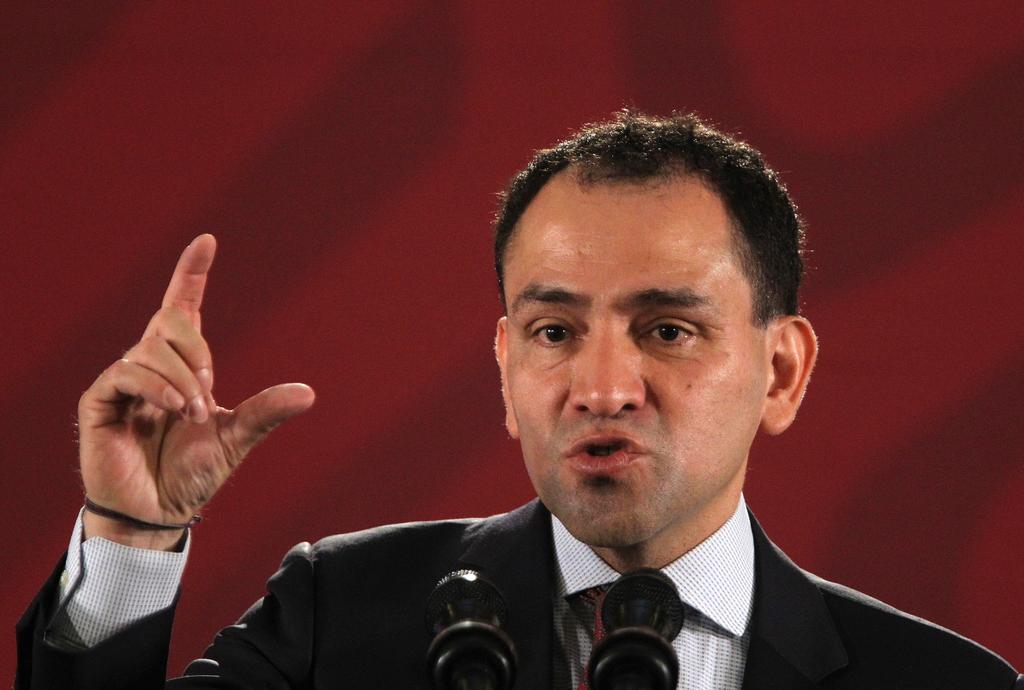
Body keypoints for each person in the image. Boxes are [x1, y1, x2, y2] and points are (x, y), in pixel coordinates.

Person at [15, 111, 1021, 689]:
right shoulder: (338, 617)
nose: (601, 388)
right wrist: (131, 537)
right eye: (553, 331)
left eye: (667, 330)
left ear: (784, 372)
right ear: (505, 368)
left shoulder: (947, 687)